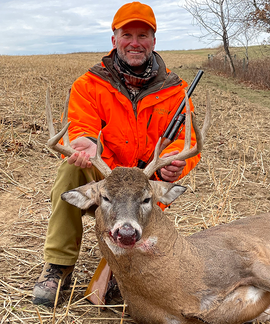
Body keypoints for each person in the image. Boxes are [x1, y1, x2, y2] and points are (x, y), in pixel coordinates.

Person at [32, 1, 201, 307]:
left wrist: (176, 163)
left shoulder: (176, 91)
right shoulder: (90, 85)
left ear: (153, 40)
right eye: (127, 35)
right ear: (114, 40)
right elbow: (80, 125)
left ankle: (118, 268)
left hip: (144, 186)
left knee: (113, 294)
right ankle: (58, 265)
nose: (135, 42)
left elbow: (183, 140)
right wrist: (84, 142)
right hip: (105, 176)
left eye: (143, 35)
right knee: (70, 172)